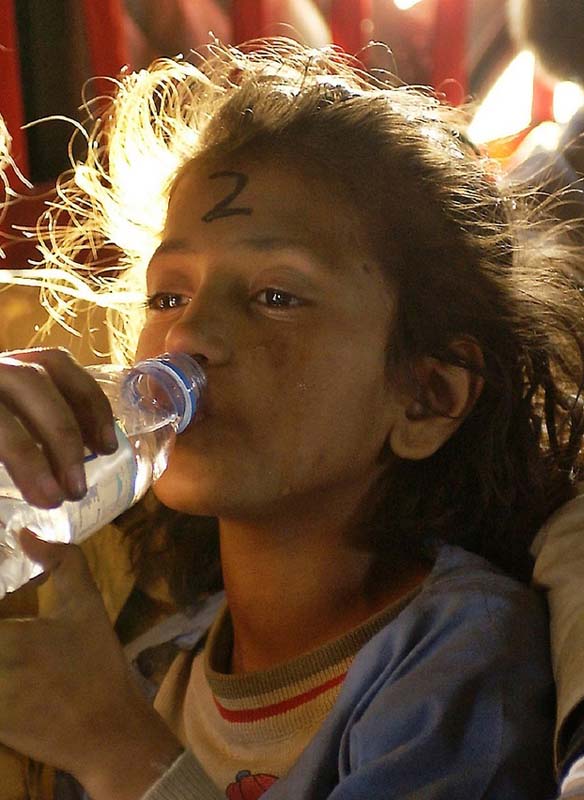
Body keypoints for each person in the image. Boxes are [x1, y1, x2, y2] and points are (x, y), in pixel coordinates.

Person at [0, 38, 581, 800]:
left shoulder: (460, 653)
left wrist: (118, 752)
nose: (187, 336)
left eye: (276, 296)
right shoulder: (152, 654)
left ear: (427, 397)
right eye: (168, 295)